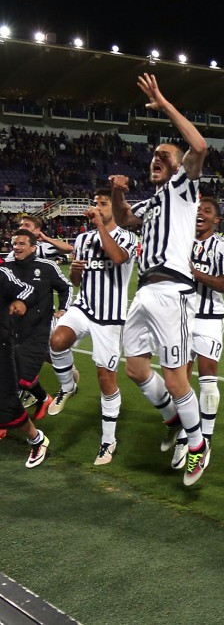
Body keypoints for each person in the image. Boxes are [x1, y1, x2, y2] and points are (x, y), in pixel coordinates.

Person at [108, 73, 210, 486]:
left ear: (178, 164)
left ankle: (199, 446)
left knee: (174, 376)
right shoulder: (152, 202)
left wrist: (163, 103)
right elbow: (124, 218)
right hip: (145, 290)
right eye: (153, 154)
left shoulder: (185, 189)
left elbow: (199, 146)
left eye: (164, 154)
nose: (157, 157)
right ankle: (173, 419)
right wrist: (116, 193)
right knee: (133, 369)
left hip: (172, 291)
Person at [47, 188, 138, 466]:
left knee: (105, 379)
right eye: (95, 204)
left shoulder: (128, 237)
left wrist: (99, 225)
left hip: (109, 317)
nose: (97, 207)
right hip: (84, 307)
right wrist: (75, 271)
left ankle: (108, 441)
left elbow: (119, 258)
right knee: (57, 340)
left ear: (115, 209)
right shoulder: (83, 238)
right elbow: (77, 281)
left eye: (103, 203)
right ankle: (68, 384)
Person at [170, 197, 224, 470]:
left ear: (216, 219)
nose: (201, 214)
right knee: (179, 382)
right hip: (181, 318)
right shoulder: (179, 242)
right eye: (197, 210)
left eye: (207, 211)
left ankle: (205, 439)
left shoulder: (223, 247)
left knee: (207, 381)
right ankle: (187, 435)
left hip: (209, 319)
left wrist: (194, 273)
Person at [5, 229, 72, 416]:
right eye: (15, 244)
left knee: (17, 374)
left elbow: (65, 287)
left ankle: (10, 421)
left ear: (33, 248)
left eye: (21, 244)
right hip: (12, 326)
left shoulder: (47, 267)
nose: (16, 248)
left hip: (38, 329)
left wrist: (64, 309)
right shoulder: (6, 267)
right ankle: (42, 398)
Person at [0, 264, 51, 466]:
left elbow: (28, 289)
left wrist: (21, 300)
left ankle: (37, 440)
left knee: (6, 400)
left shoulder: (1, 274)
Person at [5, 214, 74, 261]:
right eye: (21, 225)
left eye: (27, 225)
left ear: (37, 230)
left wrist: (46, 239)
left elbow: (69, 249)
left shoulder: (44, 247)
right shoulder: (15, 250)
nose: (22, 227)